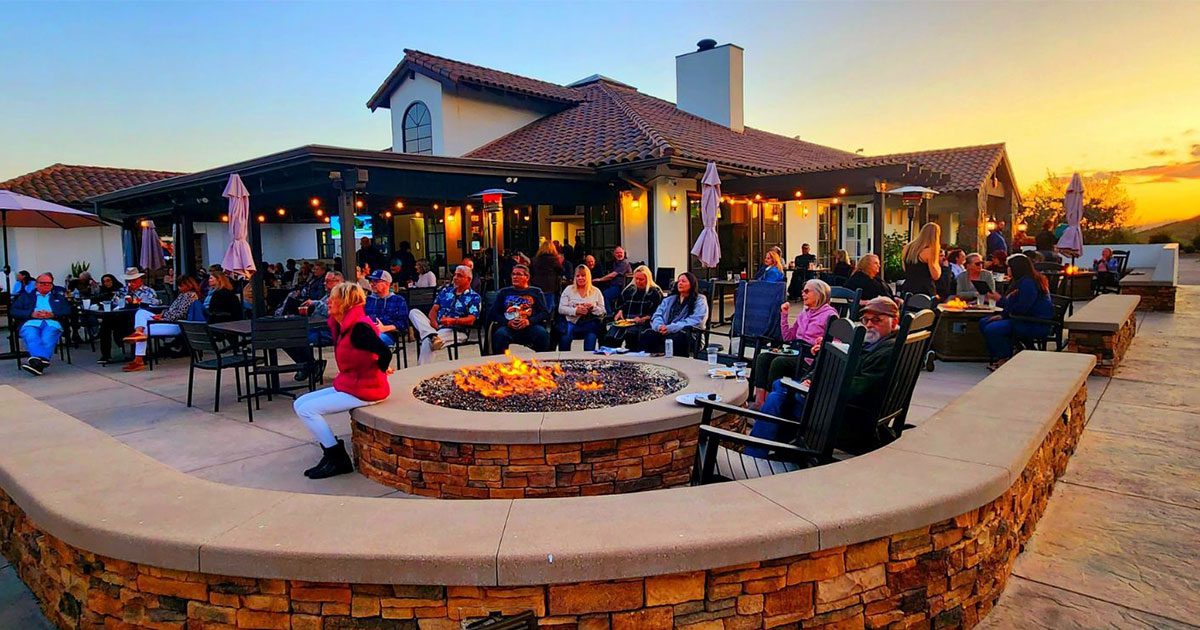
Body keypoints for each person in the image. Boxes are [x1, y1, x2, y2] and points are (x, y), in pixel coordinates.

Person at [752, 297, 903, 454]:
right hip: (847, 409)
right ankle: (769, 449)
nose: (870, 324)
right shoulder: (878, 344)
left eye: (877, 320)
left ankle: (758, 451)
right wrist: (810, 380)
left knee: (780, 396)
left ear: (894, 321)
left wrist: (818, 385)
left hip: (849, 419)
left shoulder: (887, 351)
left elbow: (859, 388)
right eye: (866, 320)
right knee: (781, 392)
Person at [292, 282, 393, 479]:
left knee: (307, 409)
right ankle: (333, 455)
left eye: (333, 297)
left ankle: (337, 458)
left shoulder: (358, 328)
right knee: (300, 403)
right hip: (351, 383)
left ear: (346, 302)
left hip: (367, 389)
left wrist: (380, 370)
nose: (328, 301)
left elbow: (384, 352)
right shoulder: (344, 326)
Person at [750, 279, 837, 408]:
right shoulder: (804, 313)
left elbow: (837, 342)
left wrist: (822, 342)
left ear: (819, 294)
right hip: (795, 351)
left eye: (807, 291)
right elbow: (788, 337)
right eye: (803, 291)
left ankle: (769, 405)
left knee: (778, 362)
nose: (803, 294)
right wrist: (784, 316)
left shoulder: (830, 315)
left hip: (809, 359)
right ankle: (759, 402)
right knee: (763, 357)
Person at [979, 253, 1053, 371]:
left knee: (992, 328)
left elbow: (1023, 307)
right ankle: (1005, 352)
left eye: (1010, 267)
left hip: (1033, 322)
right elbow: (1012, 303)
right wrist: (1002, 305)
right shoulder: (1020, 281)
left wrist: (1004, 313)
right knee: (983, 322)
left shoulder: (1028, 283)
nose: (1008, 269)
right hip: (1020, 318)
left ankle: (1005, 358)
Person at [121, 276, 201, 372]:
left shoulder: (190, 296)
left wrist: (163, 317)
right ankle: (138, 333)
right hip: (169, 320)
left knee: (145, 330)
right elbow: (172, 310)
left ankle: (138, 360)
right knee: (141, 312)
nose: (179, 288)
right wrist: (162, 315)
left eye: (181, 285)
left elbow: (181, 313)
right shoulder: (183, 295)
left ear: (188, 285)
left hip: (178, 324)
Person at [408, 265, 480, 365]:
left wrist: (452, 321)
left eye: (459, 276)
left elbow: (471, 319)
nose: (455, 278)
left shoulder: (474, 297)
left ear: (468, 279)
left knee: (427, 342)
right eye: (454, 275)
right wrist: (433, 322)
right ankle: (431, 334)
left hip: (455, 330)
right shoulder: (446, 291)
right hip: (436, 327)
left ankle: (421, 371)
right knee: (414, 312)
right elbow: (433, 310)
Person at [281, 271, 344, 382]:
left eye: (328, 281)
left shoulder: (342, 295)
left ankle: (308, 366)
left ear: (338, 282)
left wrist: (315, 304)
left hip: (328, 330)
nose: (324, 283)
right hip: (315, 326)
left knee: (297, 338)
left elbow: (332, 312)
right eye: (324, 281)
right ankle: (308, 364)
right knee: (286, 337)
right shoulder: (327, 295)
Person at [96, 268, 161, 365]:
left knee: (134, 322)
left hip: (139, 316)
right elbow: (114, 302)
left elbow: (156, 302)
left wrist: (139, 301)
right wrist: (124, 300)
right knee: (106, 323)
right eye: (129, 280)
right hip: (123, 316)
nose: (131, 283)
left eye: (133, 280)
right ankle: (106, 355)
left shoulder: (148, 291)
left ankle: (138, 355)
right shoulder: (122, 290)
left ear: (139, 279)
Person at [639, 272, 708, 356]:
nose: (680, 283)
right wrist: (659, 326)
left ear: (692, 284)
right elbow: (657, 315)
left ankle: (669, 362)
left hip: (688, 335)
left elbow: (697, 320)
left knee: (676, 338)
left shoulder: (700, 300)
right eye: (679, 281)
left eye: (683, 281)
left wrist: (671, 328)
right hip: (665, 332)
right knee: (647, 335)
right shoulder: (669, 299)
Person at [13, 273, 70, 376]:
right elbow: (13, 311)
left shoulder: (59, 297)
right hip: (31, 322)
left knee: (47, 337)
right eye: (42, 283)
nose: (46, 285)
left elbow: (67, 310)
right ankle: (42, 361)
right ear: (36, 284)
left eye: (48, 283)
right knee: (31, 335)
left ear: (52, 285)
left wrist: (53, 314)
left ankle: (36, 363)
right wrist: (31, 314)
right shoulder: (26, 297)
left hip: (52, 323)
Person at [489, 264, 552, 354]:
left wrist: (529, 321)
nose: (515, 277)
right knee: (500, 335)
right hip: (509, 327)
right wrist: (507, 322)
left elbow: (545, 313)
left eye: (518, 274)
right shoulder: (504, 292)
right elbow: (493, 313)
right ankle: (502, 364)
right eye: (513, 274)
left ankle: (541, 363)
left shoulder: (536, 292)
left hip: (530, 326)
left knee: (542, 334)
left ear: (527, 277)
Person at [602, 265, 662, 351]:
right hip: (626, 321)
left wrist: (645, 318)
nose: (638, 281)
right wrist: (620, 311)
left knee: (632, 334)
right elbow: (620, 305)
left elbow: (658, 312)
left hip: (644, 322)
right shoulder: (629, 290)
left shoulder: (655, 293)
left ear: (647, 279)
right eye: (636, 279)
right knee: (610, 336)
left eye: (641, 279)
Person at [557, 264, 606, 351]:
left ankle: (588, 361)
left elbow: (602, 311)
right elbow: (561, 309)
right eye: (578, 276)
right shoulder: (568, 289)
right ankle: (563, 360)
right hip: (571, 322)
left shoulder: (596, 291)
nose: (580, 278)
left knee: (591, 336)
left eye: (583, 276)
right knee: (565, 337)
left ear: (588, 277)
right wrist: (576, 311)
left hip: (589, 322)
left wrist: (592, 307)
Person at [363, 270, 408, 346]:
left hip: (388, 334)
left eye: (376, 281)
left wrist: (384, 328)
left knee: (374, 340)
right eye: (372, 281)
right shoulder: (367, 300)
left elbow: (404, 323)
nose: (372, 284)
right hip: (368, 332)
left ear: (387, 283)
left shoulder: (398, 300)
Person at [901, 223, 941, 297]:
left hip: (908, 287)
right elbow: (935, 275)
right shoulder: (930, 251)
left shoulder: (908, 248)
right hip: (924, 291)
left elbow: (904, 268)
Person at [594, 246, 633, 311]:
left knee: (605, 295)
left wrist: (600, 279)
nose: (619, 254)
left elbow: (612, 275)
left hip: (621, 287)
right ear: (614, 254)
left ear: (624, 253)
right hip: (613, 285)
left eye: (621, 253)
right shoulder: (614, 263)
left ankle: (608, 315)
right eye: (617, 253)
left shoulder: (624, 263)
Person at [530, 241, 564, 313]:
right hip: (550, 285)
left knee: (538, 304)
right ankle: (548, 320)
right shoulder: (554, 259)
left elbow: (531, 272)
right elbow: (561, 271)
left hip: (537, 284)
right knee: (549, 305)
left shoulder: (535, 259)